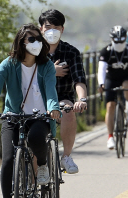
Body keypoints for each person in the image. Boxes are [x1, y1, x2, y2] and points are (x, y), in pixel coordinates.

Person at [0, 23, 61, 198]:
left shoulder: (46, 65)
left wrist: (53, 108)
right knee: (8, 159)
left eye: (38, 39)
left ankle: (42, 165)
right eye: (31, 39)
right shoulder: (8, 64)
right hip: (13, 116)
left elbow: (51, 90)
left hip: (40, 116)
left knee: (35, 138)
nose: (35, 43)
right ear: (21, 42)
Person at [39, 9, 88, 174]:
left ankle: (66, 156)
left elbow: (79, 79)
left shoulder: (71, 52)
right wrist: (51, 71)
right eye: (47, 27)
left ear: (62, 29)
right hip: (36, 99)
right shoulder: (34, 51)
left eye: (56, 27)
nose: (51, 31)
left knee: (68, 111)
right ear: (41, 29)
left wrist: (82, 99)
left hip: (61, 99)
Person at [97, 26, 128, 149]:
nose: (119, 43)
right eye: (116, 41)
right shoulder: (106, 51)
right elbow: (101, 70)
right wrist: (101, 84)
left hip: (126, 76)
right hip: (111, 78)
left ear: (125, 39)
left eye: (121, 41)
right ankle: (110, 136)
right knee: (110, 105)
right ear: (112, 39)